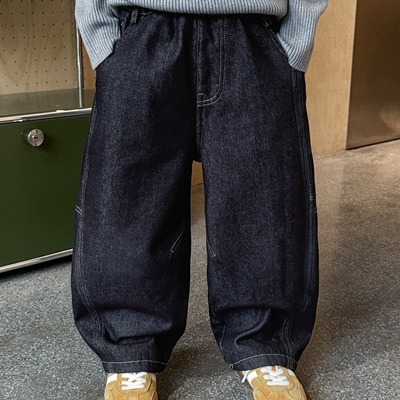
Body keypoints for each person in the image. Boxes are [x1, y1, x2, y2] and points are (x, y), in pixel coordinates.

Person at [72, 1, 328, 399]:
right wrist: (104, 41)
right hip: (142, 32)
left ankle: (264, 344)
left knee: (266, 201)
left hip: (254, 35)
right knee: (130, 203)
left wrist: (295, 42)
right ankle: (131, 349)